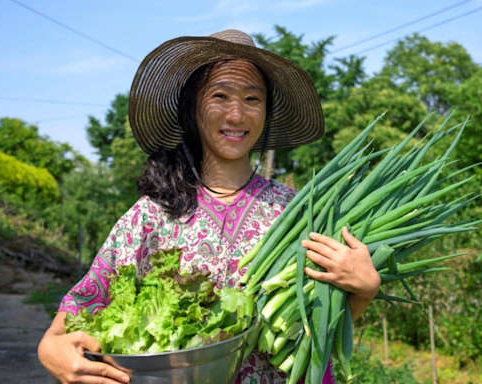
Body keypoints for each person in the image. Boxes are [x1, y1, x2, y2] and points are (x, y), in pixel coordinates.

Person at [38, 29, 380, 384]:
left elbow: (321, 330)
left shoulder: (300, 212)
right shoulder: (151, 215)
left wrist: (363, 291)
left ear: (266, 111)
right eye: (220, 95)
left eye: (252, 99)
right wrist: (49, 348)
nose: (236, 115)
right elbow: (79, 309)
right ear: (192, 108)